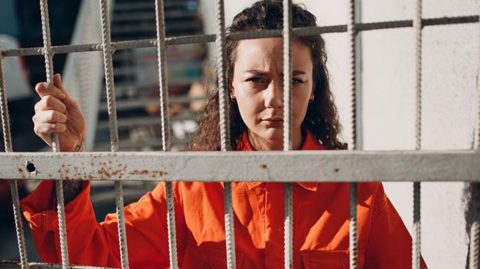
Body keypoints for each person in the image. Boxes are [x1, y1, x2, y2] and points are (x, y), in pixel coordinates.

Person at [22, 1, 427, 268]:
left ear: (315, 86)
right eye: (257, 80)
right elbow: (96, 255)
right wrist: (70, 159)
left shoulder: (358, 191)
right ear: (231, 86)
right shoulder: (193, 190)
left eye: (295, 79)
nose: (276, 98)